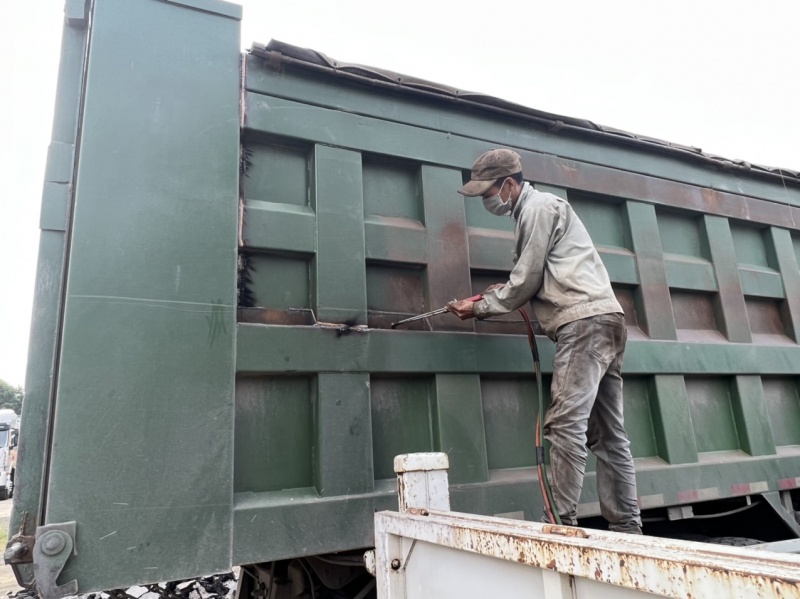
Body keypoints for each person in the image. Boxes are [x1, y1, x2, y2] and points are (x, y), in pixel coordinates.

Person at [448, 148, 642, 534]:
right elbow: (533, 276)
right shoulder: (545, 209)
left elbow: (527, 279)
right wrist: (503, 291)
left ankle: (558, 523)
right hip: (606, 319)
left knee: (565, 425)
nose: (487, 200)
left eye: (488, 192)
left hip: (583, 323)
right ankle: (627, 527)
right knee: (607, 432)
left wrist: (482, 307)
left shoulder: (536, 209)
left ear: (509, 184)